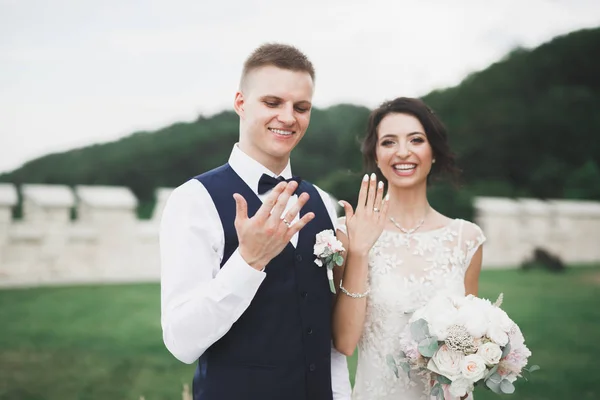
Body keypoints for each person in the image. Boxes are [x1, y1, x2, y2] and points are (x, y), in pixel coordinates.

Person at [159, 43, 351, 400]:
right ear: (240, 103)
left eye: (301, 107)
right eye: (272, 102)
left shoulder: (322, 201)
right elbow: (180, 341)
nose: (289, 117)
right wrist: (248, 262)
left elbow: (325, 343)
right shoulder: (194, 200)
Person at [332, 97, 486, 400]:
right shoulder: (348, 232)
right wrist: (361, 251)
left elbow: (472, 339)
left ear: (433, 153)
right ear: (376, 155)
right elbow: (345, 342)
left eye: (416, 140)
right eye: (389, 142)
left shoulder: (466, 238)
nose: (403, 152)